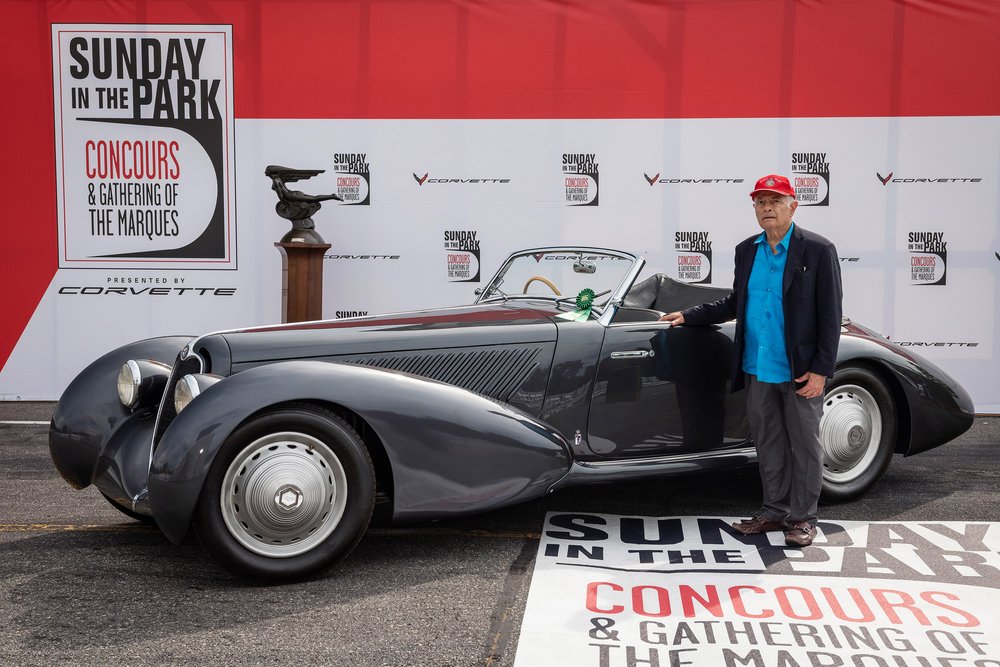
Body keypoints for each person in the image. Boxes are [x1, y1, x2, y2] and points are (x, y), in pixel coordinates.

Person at [659, 174, 842, 547]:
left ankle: (804, 518)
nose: (767, 208)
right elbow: (734, 303)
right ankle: (774, 511)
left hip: (800, 371)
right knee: (768, 442)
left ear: (793, 205)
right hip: (757, 368)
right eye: (760, 202)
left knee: (805, 446)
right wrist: (689, 315)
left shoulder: (819, 250)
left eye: (775, 201)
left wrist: (822, 370)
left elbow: (830, 314)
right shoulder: (747, 250)